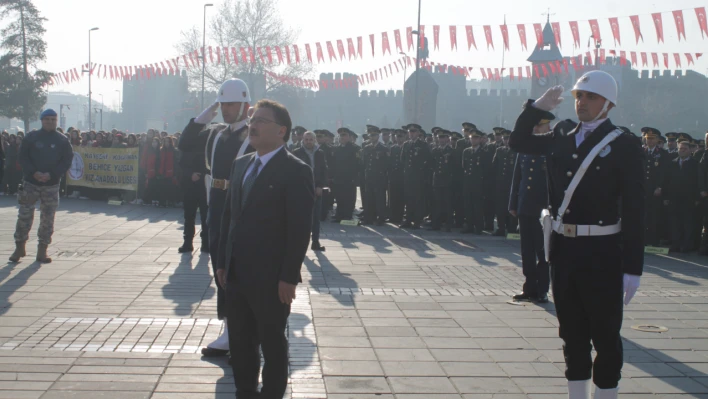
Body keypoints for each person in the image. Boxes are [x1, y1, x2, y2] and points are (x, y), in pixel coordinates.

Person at [508, 71, 644, 399]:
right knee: (571, 333)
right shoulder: (562, 134)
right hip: (565, 249)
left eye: (590, 97)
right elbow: (519, 142)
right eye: (579, 96)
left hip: (603, 251)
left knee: (606, 335)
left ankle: (606, 394)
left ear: (608, 104)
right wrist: (535, 108)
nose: (582, 102)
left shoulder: (624, 144)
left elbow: (636, 209)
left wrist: (633, 267)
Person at [216, 99, 314, 399]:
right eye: (251, 120)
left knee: (272, 344)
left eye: (261, 121)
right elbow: (228, 217)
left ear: (282, 130)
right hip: (236, 272)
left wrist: (289, 276)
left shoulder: (295, 170)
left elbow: (299, 230)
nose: (252, 126)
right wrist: (221, 261)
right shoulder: (241, 163)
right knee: (241, 343)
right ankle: (245, 392)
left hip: (272, 279)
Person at [178, 78, 254, 358]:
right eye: (223, 104)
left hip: (241, 206)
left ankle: (244, 330)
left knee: (240, 270)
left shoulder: (253, 134)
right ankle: (228, 328)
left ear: (246, 104)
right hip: (217, 205)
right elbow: (185, 143)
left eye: (231, 103)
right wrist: (207, 112)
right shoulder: (217, 133)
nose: (226, 109)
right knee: (219, 265)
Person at [508, 117, 563, 304]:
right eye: (536, 125)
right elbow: (518, 178)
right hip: (525, 205)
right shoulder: (526, 148)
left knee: (543, 251)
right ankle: (529, 288)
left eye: (541, 126)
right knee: (527, 251)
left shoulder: (552, 148)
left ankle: (542, 290)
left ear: (549, 127)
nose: (538, 129)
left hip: (543, 208)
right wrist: (513, 204)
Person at [9, 109, 73, 264]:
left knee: (48, 218)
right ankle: (19, 246)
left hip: (51, 185)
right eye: (47, 119)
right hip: (31, 183)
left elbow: (66, 161)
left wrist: (52, 174)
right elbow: (23, 157)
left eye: (53, 119)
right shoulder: (31, 137)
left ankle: (42, 250)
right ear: (42, 120)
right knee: (24, 215)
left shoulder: (62, 140)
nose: (50, 122)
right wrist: (33, 172)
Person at [294, 131, 327, 251]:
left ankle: (315, 242)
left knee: (316, 218)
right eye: (306, 139)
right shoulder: (297, 153)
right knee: (302, 218)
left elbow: (324, 171)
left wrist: (320, 186)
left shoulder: (320, 153)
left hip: (316, 190)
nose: (308, 142)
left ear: (315, 140)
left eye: (311, 139)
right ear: (303, 140)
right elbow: (294, 173)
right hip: (303, 190)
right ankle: (300, 243)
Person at [666, 139, 700, 252]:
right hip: (675, 198)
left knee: (688, 223)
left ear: (690, 150)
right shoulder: (673, 163)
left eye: (684, 149)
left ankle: (687, 245)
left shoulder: (695, 164)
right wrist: (667, 197)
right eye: (680, 149)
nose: (682, 151)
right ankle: (675, 244)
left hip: (688, 198)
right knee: (675, 223)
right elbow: (667, 181)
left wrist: (696, 198)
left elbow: (697, 182)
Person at [178, 135, 209, 253]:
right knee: (189, 216)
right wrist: (190, 174)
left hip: (204, 185)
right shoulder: (187, 149)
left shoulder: (208, 148)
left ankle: (206, 243)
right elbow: (181, 165)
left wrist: (202, 175)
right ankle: (187, 242)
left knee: (205, 216)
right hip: (190, 186)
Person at [642, 127, 670, 247]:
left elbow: (664, 173)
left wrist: (660, 187)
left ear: (658, 140)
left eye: (652, 139)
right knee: (644, 215)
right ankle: (644, 239)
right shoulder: (641, 152)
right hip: (643, 189)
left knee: (655, 216)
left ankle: (654, 240)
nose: (650, 141)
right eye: (648, 138)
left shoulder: (662, 154)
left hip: (655, 189)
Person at [400, 124, 431, 229]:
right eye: (410, 131)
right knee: (408, 199)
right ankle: (408, 219)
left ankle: (417, 220)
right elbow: (403, 159)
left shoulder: (423, 145)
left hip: (419, 177)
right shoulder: (406, 144)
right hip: (408, 176)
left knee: (418, 199)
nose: (412, 133)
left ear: (418, 133)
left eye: (414, 131)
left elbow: (427, 161)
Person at [361, 126, 389, 226]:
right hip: (369, 176)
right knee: (369, 198)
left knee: (380, 199)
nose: (372, 137)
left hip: (379, 177)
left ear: (378, 135)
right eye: (371, 135)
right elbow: (364, 163)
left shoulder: (383, 148)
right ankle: (369, 218)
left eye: (374, 135)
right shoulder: (367, 148)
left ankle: (381, 218)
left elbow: (386, 165)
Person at [330, 127, 360, 222]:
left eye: (344, 135)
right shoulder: (336, 149)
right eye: (340, 135)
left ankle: (348, 215)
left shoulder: (355, 149)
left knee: (349, 198)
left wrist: (356, 178)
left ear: (349, 137)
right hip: (339, 178)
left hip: (349, 179)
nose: (342, 137)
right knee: (339, 197)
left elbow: (359, 165)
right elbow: (333, 164)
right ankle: (339, 215)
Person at [491, 130, 517, 236]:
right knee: (500, 207)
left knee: (512, 208)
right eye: (505, 139)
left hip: (512, 184)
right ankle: (501, 228)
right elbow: (494, 166)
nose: (506, 141)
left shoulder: (516, 151)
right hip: (501, 184)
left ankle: (512, 228)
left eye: (508, 139)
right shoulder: (499, 150)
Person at [461, 129, 487, 234]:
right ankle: (469, 226)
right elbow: (464, 167)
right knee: (468, 205)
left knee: (478, 206)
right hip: (468, 182)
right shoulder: (466, 151)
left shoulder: (484, 152)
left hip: (479, 183)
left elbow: (486, 170)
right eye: (472, 138)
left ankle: (479, 227)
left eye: (476, 138)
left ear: (480, 139)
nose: (473, 140)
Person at [428, 130, 454, 231]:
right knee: (436, 203)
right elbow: (431, 164)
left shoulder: (451, 151)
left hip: (447, 180)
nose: (442, 140)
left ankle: (448, 225)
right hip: (437, 180)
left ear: (447, 139)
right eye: (440, 137)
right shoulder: (435, 150)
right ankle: (436, 224)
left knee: (447, 203)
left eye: (443, 138)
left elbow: (453, 166)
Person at [388, 129, 406, 224]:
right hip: (393, 176)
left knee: (400, 198)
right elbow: (390, 162)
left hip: (402, 176)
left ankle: (399, 216)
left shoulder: (406, 147)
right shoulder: (393, 148)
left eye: (401, 136)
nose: (398, 138)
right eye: (397, 136)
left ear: (404, 137)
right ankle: (392, 216)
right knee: (392, 197)